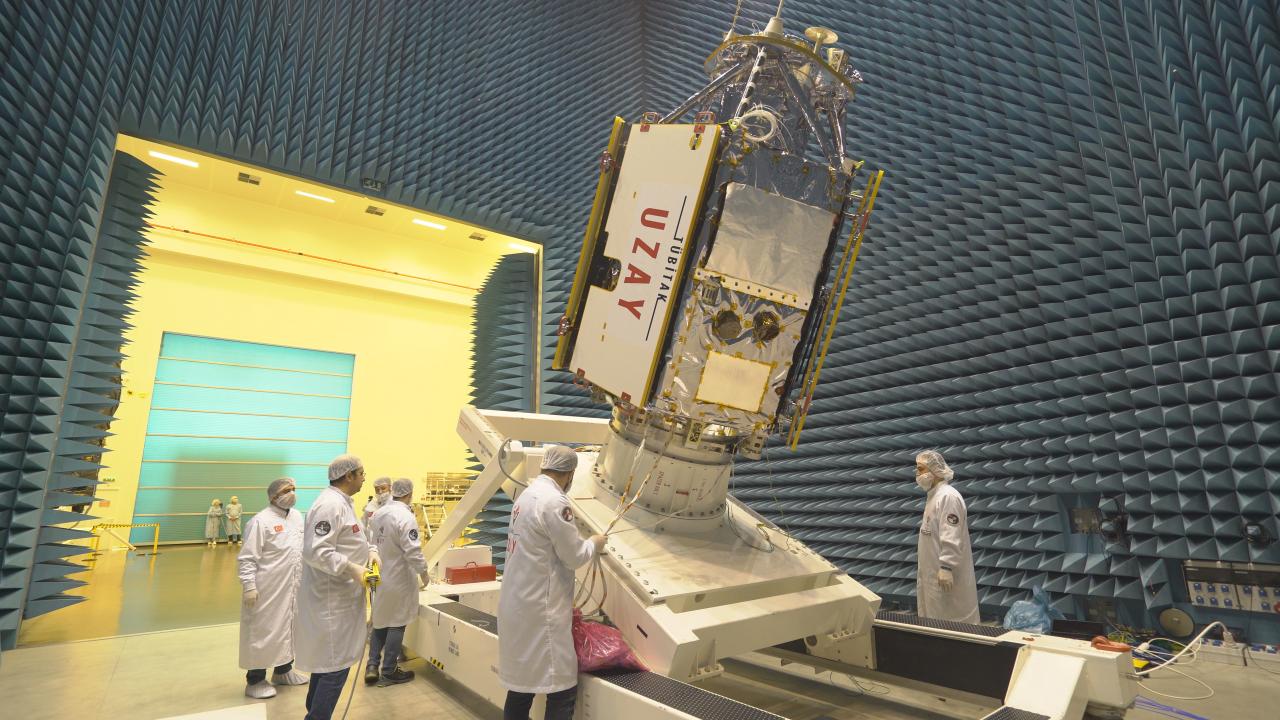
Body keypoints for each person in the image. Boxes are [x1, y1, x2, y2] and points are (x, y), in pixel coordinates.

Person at [497, 445, 606, 720]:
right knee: (562, 688)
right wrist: (594, 543)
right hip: (541, 614)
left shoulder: (526, 495)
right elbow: (574, 556)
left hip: (519, 606)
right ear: (569, 473)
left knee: (521, 688)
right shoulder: (555, 502)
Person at [295, 454, 380, 720]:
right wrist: (352, 568)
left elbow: (352, 538)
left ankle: (313, 713)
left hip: (343, 599)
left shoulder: (344, 503)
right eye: (361, 473)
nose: (364, 478)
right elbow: (316, 551)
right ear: (348, 476)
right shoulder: (329, 506)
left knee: (328, 662)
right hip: (332, 602)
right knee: (335, 666)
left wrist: (371, 551)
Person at [238, 478, 309, 698]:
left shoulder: (297, 517)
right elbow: (248, 557)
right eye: (286, 490)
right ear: (273, 496)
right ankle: (255, 680)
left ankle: (283, 671)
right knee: (263, 631)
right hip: (267, 589)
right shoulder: (260, 521)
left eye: (294, 489)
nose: (292, 493)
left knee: (288, 627)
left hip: (292, 586)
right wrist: (249, 585)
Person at [365, 478, 429, 687]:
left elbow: (371, 542)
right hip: (399, 578)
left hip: (380, 575)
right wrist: (424, 573)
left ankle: (372, 666)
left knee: (380, 620)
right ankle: (389, 670)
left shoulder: (379, 513)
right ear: (409, 494)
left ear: (394, 491)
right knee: (397, 623)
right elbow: (413, 551)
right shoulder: (405, 517)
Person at [915, 450, 979, 624]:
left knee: (953, 622)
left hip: (946, 575)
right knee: (936, 621)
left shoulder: (948, 497)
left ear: (935, 470)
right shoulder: (934, 496)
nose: (917, 474)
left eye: (920, 469)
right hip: (932, 576)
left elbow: (951, 535)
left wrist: (946, 566)